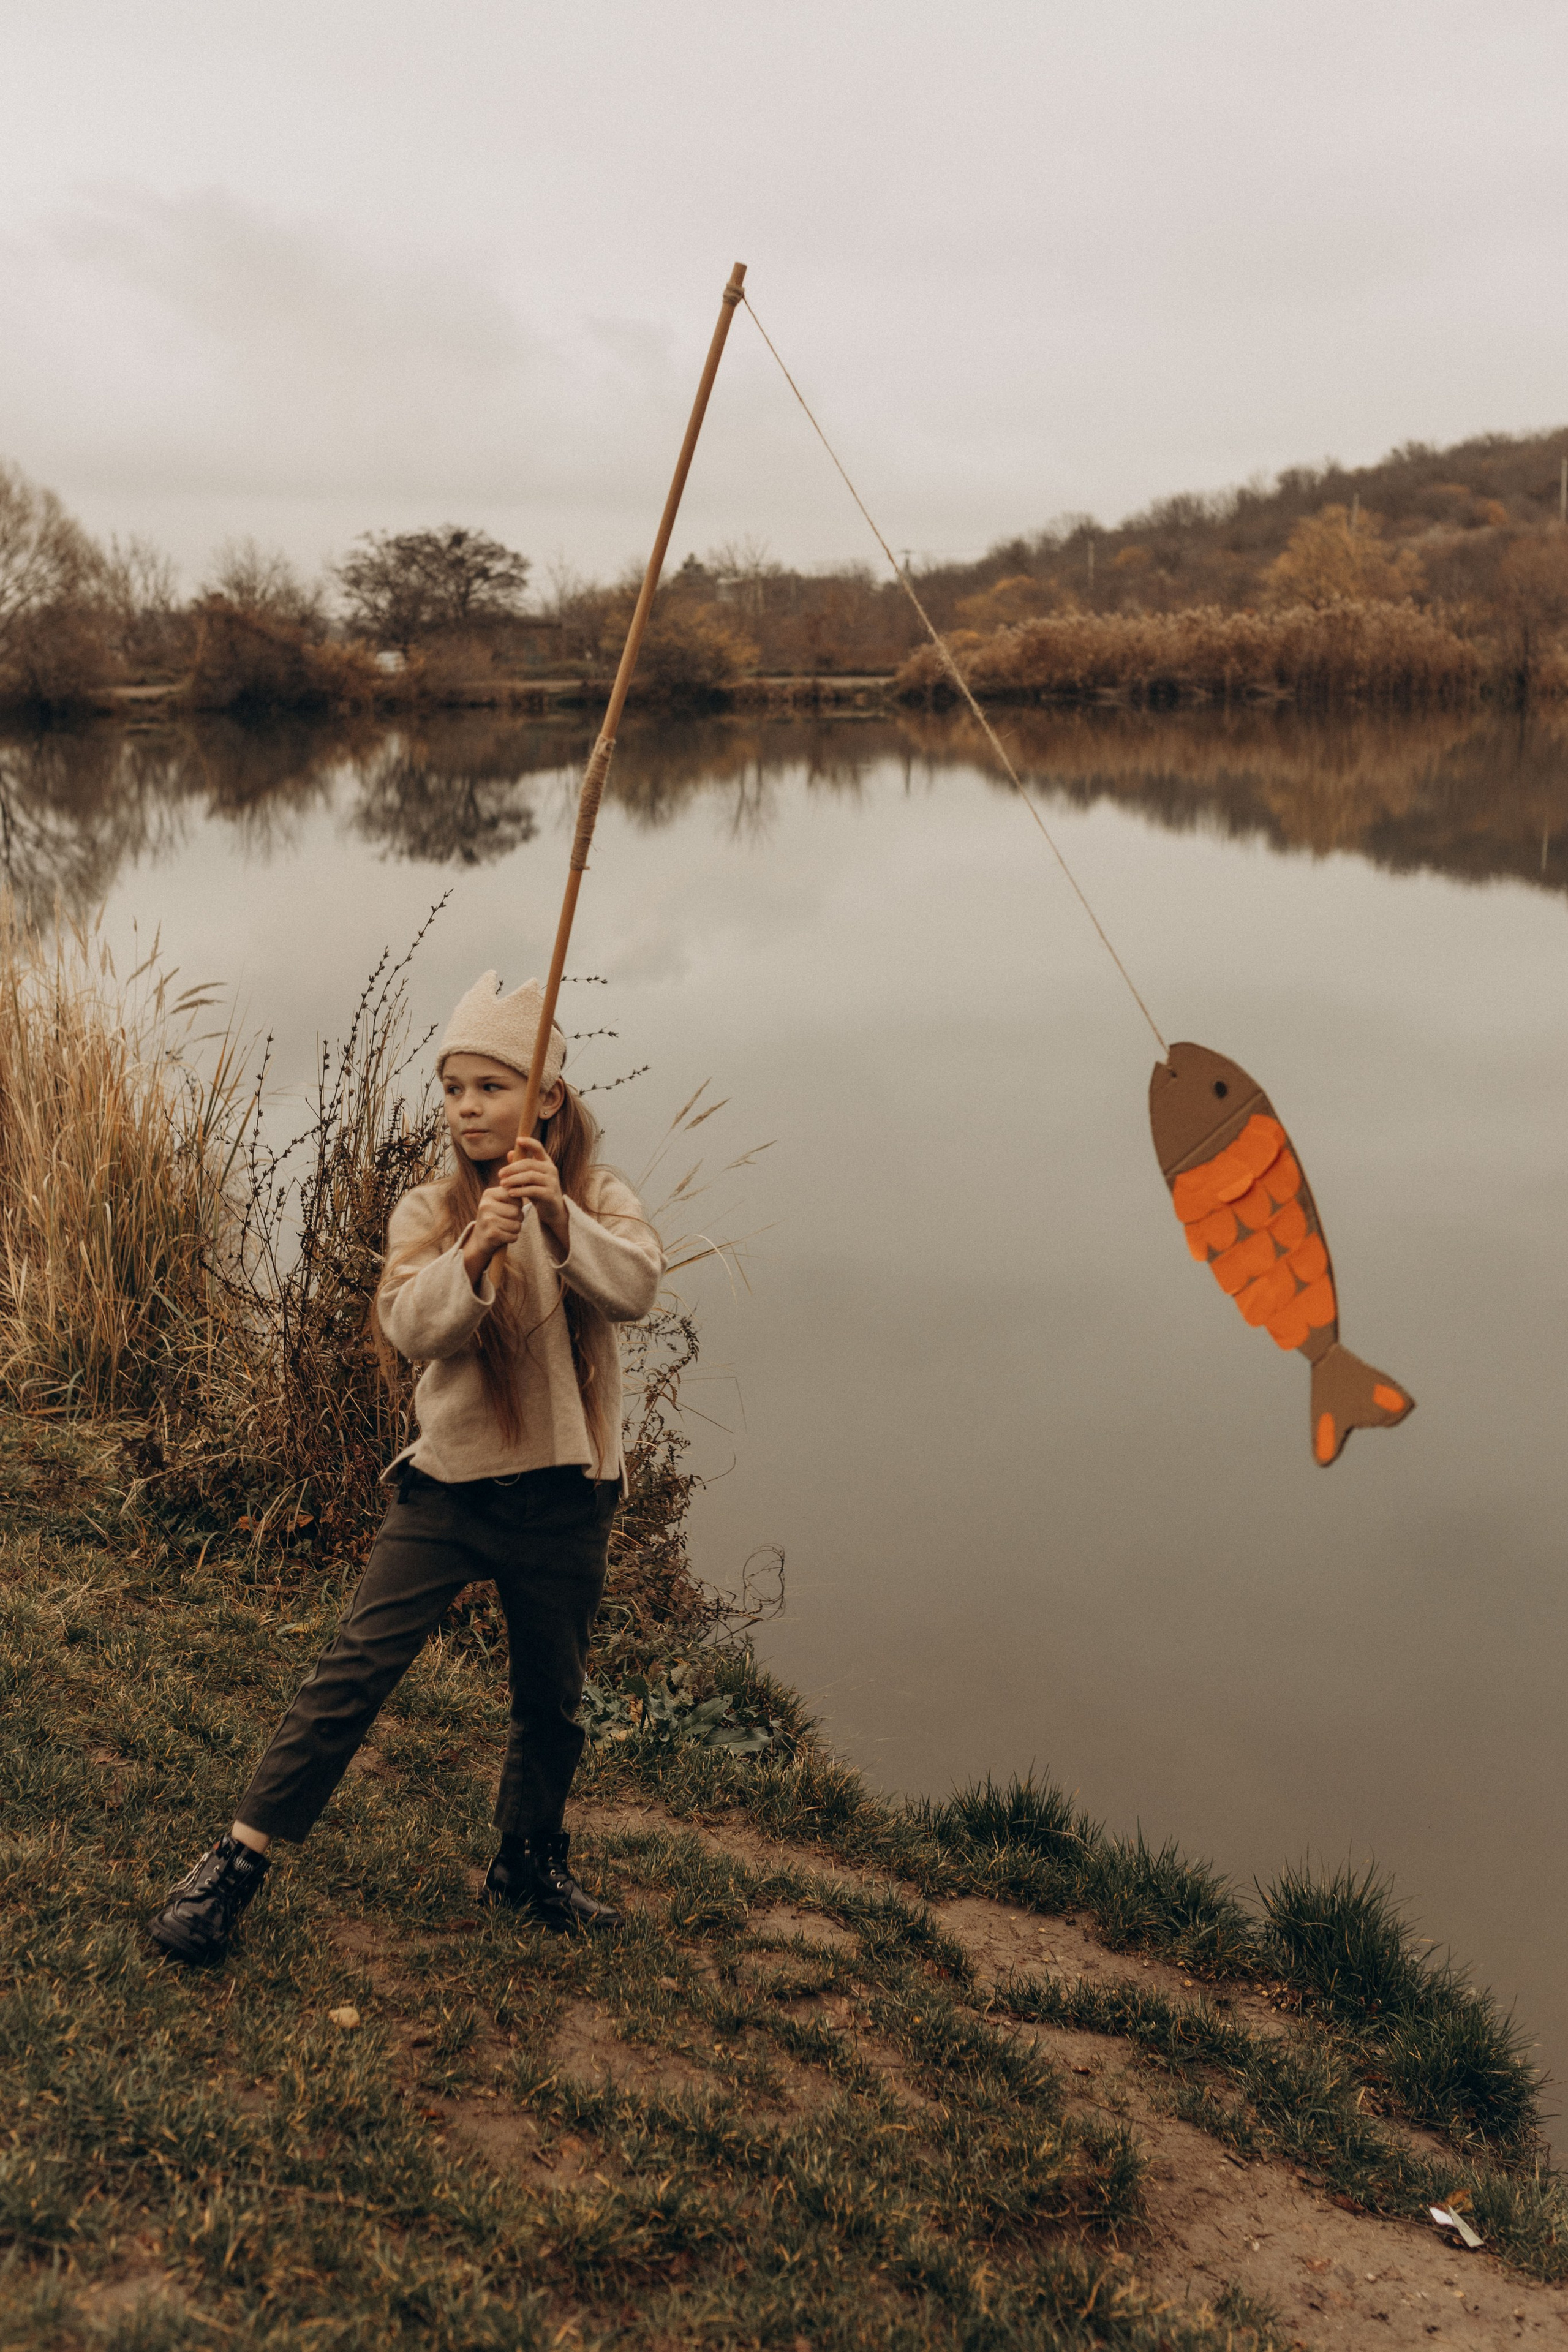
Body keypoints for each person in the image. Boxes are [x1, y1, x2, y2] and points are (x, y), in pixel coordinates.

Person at [148, 971, 663, 1965]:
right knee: (350, 1675)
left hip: (567, 1495)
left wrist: (558, 1218)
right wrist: (476, 1252)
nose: (467, 1108)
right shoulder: (431, 1208)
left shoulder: (596, 1195)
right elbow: (411, 1325)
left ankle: (528, 1864)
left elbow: (637, 1287)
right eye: (454, 1089)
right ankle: (235, 1864)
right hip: (451, 1490)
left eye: (492, 1087)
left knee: (551, 1702)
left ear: (547, 1098)